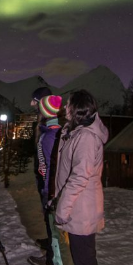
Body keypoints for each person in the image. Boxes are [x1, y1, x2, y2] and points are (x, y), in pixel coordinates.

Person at [54, 90, 109, 265]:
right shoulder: (77, 132)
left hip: (81, 210)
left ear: (77, 108)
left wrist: (63, 208)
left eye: (68, 104)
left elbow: (79, 176)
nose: (65, 106)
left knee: (84, 259)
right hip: (78, 207)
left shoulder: (86, 137)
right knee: (82, 257)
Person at [28, 95, 63, 265]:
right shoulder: (50, 131)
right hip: (48, 188)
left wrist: (49, 194)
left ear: (44, 112)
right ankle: (51, 259)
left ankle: (54, 261)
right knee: (51, 230)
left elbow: (51, 167)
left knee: (53, 231)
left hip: (50, 191)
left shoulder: (51, 136)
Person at [30, 87, 53, 254]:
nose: (31, 104)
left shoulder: (50, 125)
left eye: (35, 101)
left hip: (48, 180)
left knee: (50, 214)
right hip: (42, 176)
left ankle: (53, 252)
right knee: (46, 215)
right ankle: (50, 243)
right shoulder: (41, 121)